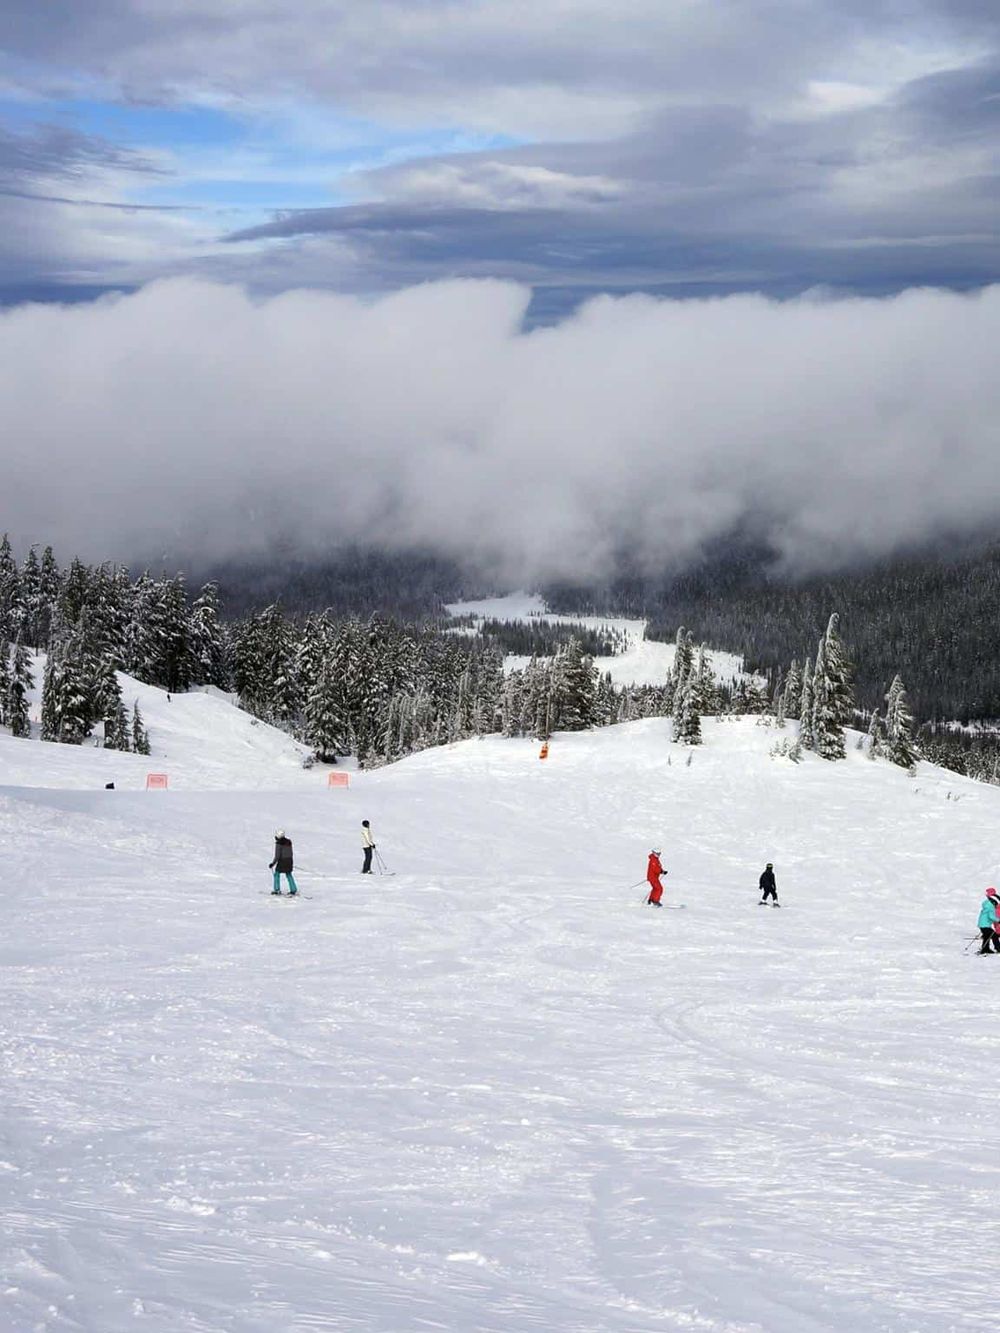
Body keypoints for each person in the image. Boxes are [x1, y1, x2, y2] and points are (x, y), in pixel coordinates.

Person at [269, 829, 298, 896]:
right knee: (288, 874)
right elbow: (290, 853)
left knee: (277, 874)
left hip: (282, 861)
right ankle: (293, 889)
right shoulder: (289, 842)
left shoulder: (279, 844)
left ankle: (277, 889)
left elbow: (277, 856)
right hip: (289, 860)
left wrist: (272, 864)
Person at [977, 887, 999, 953]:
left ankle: (985, 949)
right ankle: (997, 948)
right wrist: (998, 920)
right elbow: (991, 916)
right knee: (994, 935)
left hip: (983, 925)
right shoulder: (990, 907)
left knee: (987, 936)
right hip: (985, 925)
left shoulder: (988, 906)